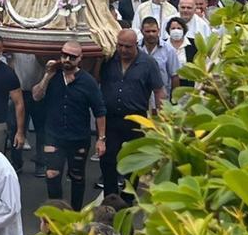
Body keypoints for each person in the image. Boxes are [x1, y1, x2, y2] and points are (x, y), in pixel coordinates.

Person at [31, 41, 106, 210]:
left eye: (72, 57)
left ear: (80, 59)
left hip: (78, 137)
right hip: (54, 135)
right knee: (51, 174)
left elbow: (100, 111)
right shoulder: (53, 76)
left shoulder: (88, 81)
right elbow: (36, 96)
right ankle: (56, 213)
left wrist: (101, 139)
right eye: (64, 55)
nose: (67, 59)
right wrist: (47, 76)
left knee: (77, 176)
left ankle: (75, 213)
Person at [98, 30, 167, 199]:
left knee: (133, 159)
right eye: (119, 45)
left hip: (135, 119)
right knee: (107, 159)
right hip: (111, 119)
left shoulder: (148, 63)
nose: (123, 50)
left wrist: (160, 118)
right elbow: (96, 79)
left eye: (127, 47)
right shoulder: (108, 60)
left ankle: (128, 199)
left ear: (136, 44)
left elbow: (159, 91)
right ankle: (110, 198)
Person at [139, 17, 181, 96]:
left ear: (158, 30)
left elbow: (175, 76)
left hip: (163, 98)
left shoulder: (169, 50)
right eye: (147, 31)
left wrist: (174, 99)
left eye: (153, 31)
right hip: (141, 98)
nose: (151, 34)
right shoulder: (136, 48)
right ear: (142, 31)